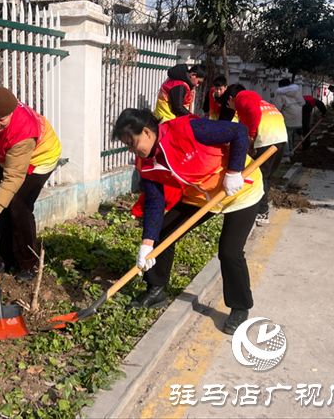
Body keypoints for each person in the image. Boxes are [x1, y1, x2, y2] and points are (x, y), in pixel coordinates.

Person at [112, 109, 264, 335]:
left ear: (146, 132)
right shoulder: (147, 164)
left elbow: (238, 131)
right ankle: (156, 290)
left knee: (230, 251)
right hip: (200, 197)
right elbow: (155, 203)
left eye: (132, 143)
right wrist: (147, 244)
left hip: (240, 190)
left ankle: (240, 308)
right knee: (162, 234)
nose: (132, 150)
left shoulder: (187, 130)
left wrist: (234, 171)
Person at [0, 86, 62, 281]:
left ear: (12, 112)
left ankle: (28, 263)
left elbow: (13, 178)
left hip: (40, 158)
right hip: (12, 158)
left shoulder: (22, 130)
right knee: (7, 205)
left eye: (2, 119)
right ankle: (5, 257)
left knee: (18, 206)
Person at [224, 84, 287, 225]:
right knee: (267, 175)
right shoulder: (261, 101)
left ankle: (262, 212)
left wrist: (251, 137)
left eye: (228, 103)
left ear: (231, 98)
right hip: (281, 138)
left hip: (267, 139)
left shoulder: (241, 99)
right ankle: (262, 207)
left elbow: (254, 114)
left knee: (259, 175)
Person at [271, 78, 305, 162]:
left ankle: (286, 156)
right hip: (298, 119)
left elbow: (277, 108)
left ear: (281, 86)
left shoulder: (281, 94)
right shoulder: (296, 93)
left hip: (287, 119)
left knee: (284, 138)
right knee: (290, 136)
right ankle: (291, 152)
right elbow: (303, 103)